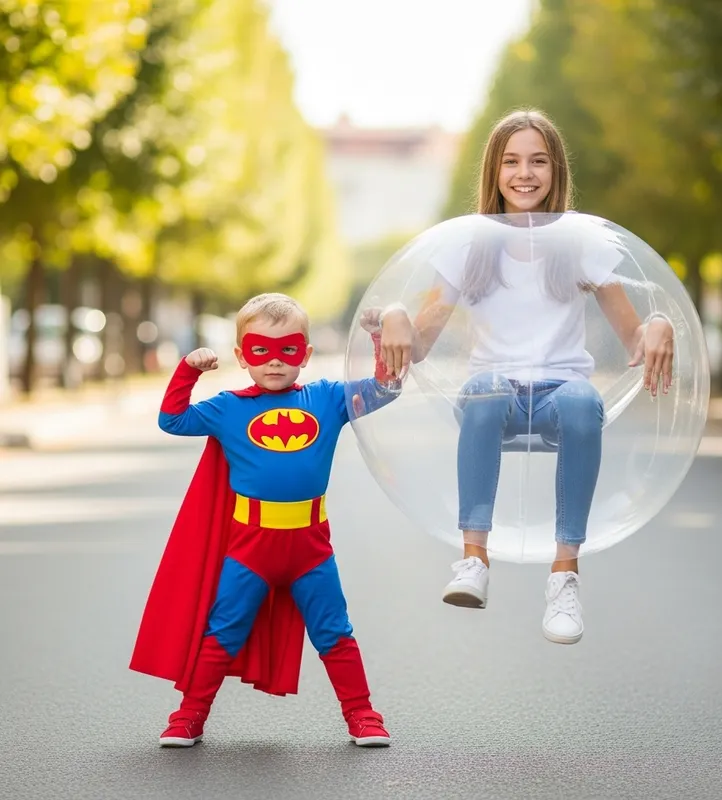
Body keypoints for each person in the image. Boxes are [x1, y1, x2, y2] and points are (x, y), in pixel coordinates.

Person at [377, 109, 674, 644]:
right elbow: (418, 344)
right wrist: (396, 316)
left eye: (538, 161)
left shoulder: (581, 243)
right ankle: (474, 561)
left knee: (582, 401)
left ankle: (564, 578)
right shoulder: (467, 246)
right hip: (495, 395)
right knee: (486, 391)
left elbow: (635, 338)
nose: (525, 173)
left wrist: (658, 326)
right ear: (494, 171)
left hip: (562, 394)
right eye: (511, 161)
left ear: (556, 169)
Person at [130, 292, 398, 747]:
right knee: (222, 632)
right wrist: (188, 370)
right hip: (249, 549)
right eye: (261, 350)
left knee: (335, 633)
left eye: (287, 349)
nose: (274, 361)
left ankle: (363, 715)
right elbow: (172, 421)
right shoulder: (228, 407)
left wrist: (377, 338)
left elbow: (384, 388)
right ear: (242, 356)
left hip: (310, 549)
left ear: (305, 354)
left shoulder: (328, 398)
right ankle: (189, 716)